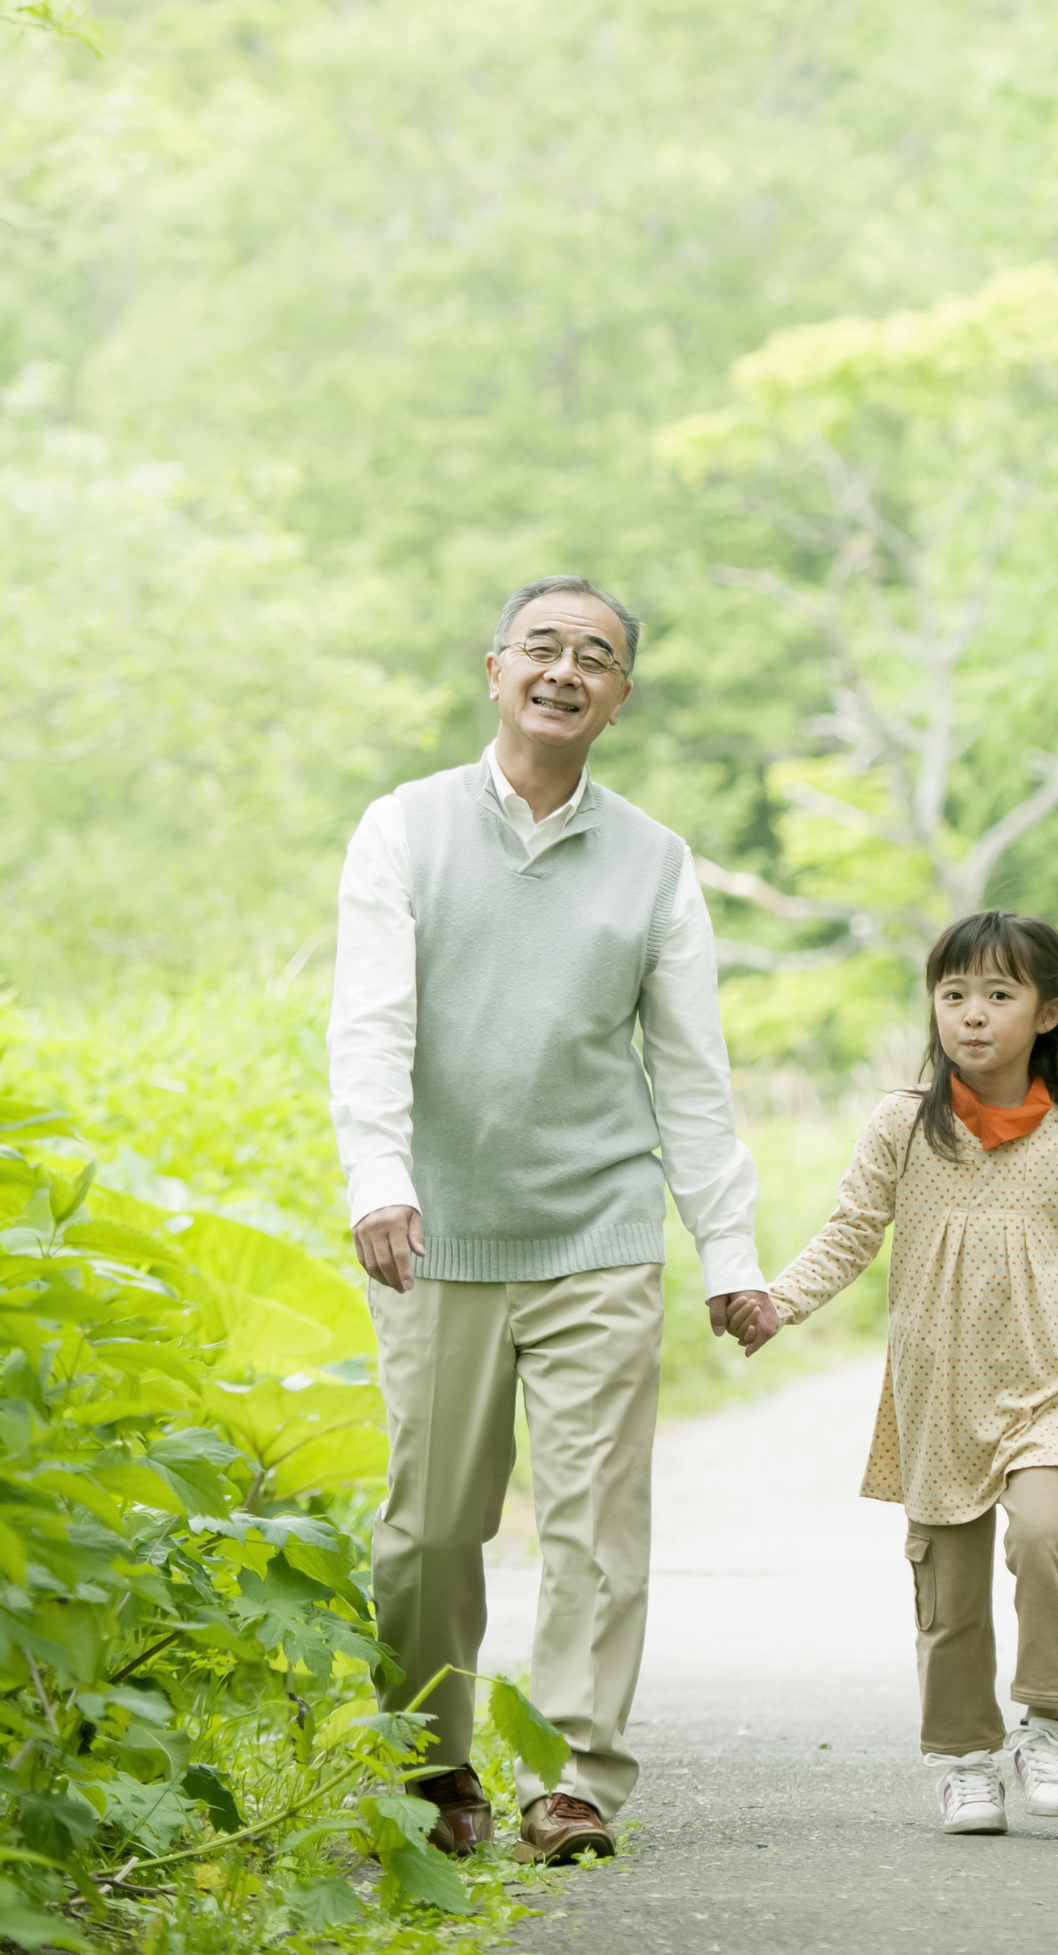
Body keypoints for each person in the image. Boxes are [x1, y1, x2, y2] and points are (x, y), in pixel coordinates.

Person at [328, 574, 776, 1864]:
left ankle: (577, 1774)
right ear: (494, 669)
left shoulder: (653, 859)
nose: (565, 669)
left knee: (593, 1513)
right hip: (436, 1234)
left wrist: (726, 1253)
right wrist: (380, 1179)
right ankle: (434, 1757)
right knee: (428, 1523)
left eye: (596, 655)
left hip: (598, 1230)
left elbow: (691, 1076)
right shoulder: (401, 829)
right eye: (543, 647)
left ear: (620, 698)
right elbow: (368, 1025)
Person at [733, 911, 1058, 1834]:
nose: (971, 1014)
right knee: (948, 1593)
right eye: (954, 994)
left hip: (1053, 1383)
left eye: (999, 995)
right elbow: (848, 1234)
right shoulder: (901, 1127)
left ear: (1045, 1013)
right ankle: (963, 1760)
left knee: (1045, 1532)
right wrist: (778, 1301)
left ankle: (1043, 1724)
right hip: (940, 1390)